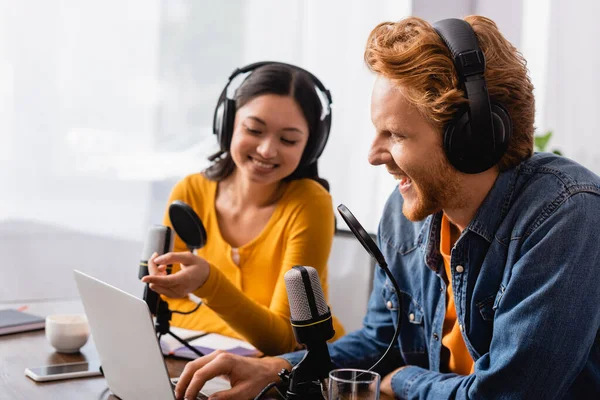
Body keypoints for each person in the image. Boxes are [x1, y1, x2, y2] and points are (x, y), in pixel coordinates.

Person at [166, 16, 600, 400]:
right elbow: (379, 344)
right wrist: (276, 368)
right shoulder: (404, 213)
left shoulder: (567, 217)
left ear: (471, 139)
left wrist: (405, 381)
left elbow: (509, 393)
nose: (374, 155)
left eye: (394, 134)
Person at [142, 62, 345, 356]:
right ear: (228, 125)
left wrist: (208, 285)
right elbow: (163, 304)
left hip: (306, 371)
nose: (266, 150)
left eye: (288, 139)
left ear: (310, 146)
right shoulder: (190, 192)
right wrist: (247, 323)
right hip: (219, 359)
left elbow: (285, 339)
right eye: (254, 129)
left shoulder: (311, 203)